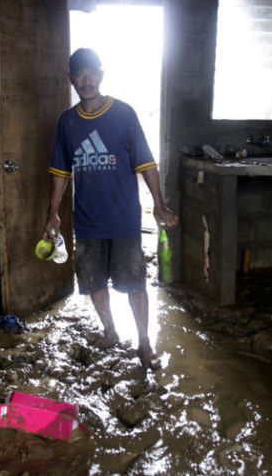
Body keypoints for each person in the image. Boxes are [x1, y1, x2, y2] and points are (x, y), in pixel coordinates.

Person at [42, 48, 178, 369]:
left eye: (92, 73)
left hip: (124, 221)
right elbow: (60, 172)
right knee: (93, 282)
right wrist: (53, 213)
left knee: (134, 283)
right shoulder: (67, 122)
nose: (86, 80)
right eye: (80, 74)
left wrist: (158, 204)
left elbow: (147, 163)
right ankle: (110, 331)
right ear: (70, 78)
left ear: (102, 75)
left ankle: (144, 342)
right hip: (87, 222)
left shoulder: (124, 114)